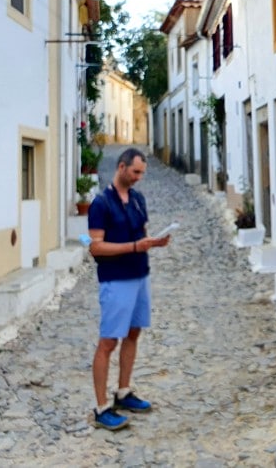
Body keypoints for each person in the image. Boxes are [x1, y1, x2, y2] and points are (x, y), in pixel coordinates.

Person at [86, 147, 170, 430]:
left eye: (142, 173)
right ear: (121, 167)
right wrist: (134, 247)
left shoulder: (137, 199)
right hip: (115, 280)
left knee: (134, 333)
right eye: (135, 172)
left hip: (139, 275)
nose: (138, 178)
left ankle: (123, 392)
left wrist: (153, 242)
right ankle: (101, 408)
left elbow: (141, 235)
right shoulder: (101, 203)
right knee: (108, 342)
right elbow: (95, 246)